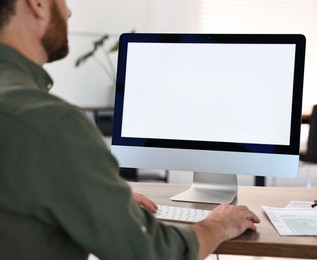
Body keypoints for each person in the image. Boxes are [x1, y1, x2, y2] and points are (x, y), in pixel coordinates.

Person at [0, 0, 260, 259]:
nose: (68, 12)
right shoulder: (53, 123)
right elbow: (153, 253)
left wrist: (98, 196)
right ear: (38, 4)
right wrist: (219, 224)